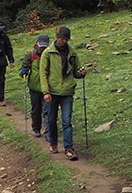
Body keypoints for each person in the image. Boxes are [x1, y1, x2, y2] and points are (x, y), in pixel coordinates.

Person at [39, 25, 87, 161]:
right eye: (62, 39)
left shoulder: (72, 53)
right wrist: (45, 91)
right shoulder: (47, 53)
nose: (64, 41)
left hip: (67, 91)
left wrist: (82, 73)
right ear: (57, 38)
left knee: (67, 120)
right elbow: (43, 74)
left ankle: (69, 148)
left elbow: (76, 72)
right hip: (52, 92)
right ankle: (53, 143)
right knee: (51, 119)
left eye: (66, 39)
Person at [20, 34, 50, 137]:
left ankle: (48, 132)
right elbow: (25, 66)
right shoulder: (31, 55)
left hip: (47, 87)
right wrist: (24, 71)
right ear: (36, 44)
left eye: (45, 47)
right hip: (34, 88)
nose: (43, 48)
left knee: (47, 110)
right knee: (36, 110)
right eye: (41, 46)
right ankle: (36, 128)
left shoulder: (50, 55)